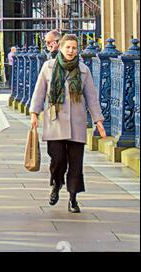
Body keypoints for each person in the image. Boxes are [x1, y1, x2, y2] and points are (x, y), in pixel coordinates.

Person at [29, 34, 107, 213]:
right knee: (57, 160)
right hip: (55, 122)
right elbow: (39, 92)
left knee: (76, 163)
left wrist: (98, 120)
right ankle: (56, 184)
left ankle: (73, 198)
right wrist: (34, 113)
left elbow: (92, 98)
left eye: (74, 47)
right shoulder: (48, 67)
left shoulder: (84, 70)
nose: (71, 51)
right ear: (61, 48)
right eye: (68, 47)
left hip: (77, 123)